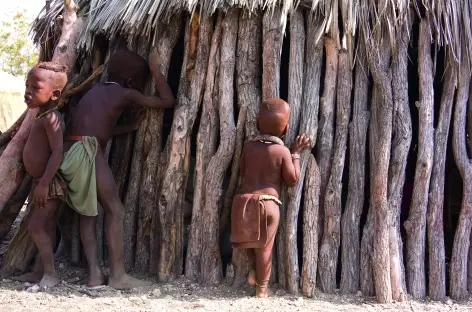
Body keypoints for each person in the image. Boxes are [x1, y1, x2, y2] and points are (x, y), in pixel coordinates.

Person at [60, 48, 175, 289]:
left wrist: (128, 127)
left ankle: (94, 274)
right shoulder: (124, 94)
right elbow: (167, 102)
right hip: (89, 150)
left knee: (88, 213)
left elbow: (95, 127)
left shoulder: (94, 90)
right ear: (132, 81)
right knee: (116, 211)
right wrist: (155, 71)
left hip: (69, 149)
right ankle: (118, 275)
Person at [230, 98, 312, 298]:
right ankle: (261, 290)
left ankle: (253, 275)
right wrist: (296, 153)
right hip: (268, 204)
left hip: (245, 203)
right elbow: (292, 179)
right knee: (265, 250)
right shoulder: (282, 151)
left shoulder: (248, 148)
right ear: (286, 130)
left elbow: (242, 170)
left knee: (250, 241)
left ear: (257, 124)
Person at [21, 62, 69, 288]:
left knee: (36, 226)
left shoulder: (52, 118)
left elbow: (58, 151)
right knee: (46, 227)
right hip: (42, 182)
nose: (28, 91)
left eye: (35, 87)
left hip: (49, 184)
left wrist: (44, 183)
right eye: (26, 85)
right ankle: (40, 271)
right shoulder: (42, 115)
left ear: (54, 94)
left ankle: (51, 274)